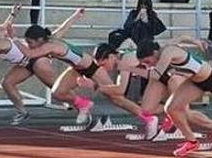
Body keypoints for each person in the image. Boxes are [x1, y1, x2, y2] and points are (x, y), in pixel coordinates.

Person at [19, 23, 158, 136]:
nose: (28, 45)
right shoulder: (51, 39)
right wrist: (76, 16)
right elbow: (64, 27)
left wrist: (13, 41)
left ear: (39, 40)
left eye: (29, 42)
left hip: (92, 67)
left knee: (116, 97)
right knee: (58, 92)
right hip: (77, 68)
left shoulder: (50, 45)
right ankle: (83, 105)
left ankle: (148, 118)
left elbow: (31, 54)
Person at [0, 5, 71, 125]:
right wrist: (13, 13)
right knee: (7, 83)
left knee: (56, 87)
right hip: (24, 64)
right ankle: (22, 112)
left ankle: (80, 105)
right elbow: (6, 25)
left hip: (35, 59)